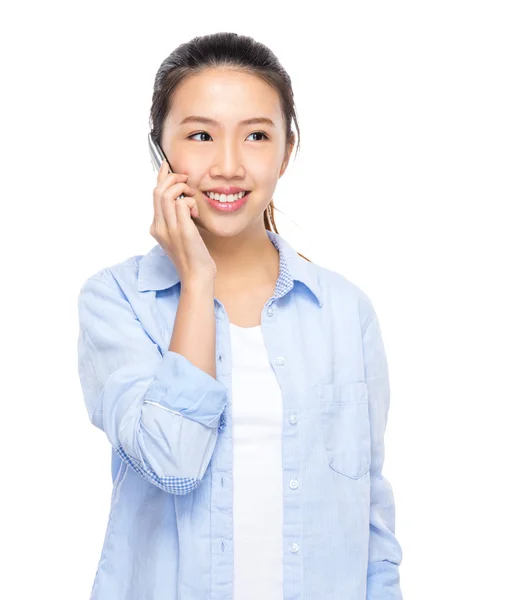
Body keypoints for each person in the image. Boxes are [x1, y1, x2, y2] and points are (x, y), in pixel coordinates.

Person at [77, 31, 403, 600]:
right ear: (160, 151)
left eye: (256, 135)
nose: (228, 166)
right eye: (200, 135)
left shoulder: (345, 313)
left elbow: (369, 519)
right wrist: (197, 280)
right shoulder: (116, 302)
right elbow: (173, 461)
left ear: (287, 150)